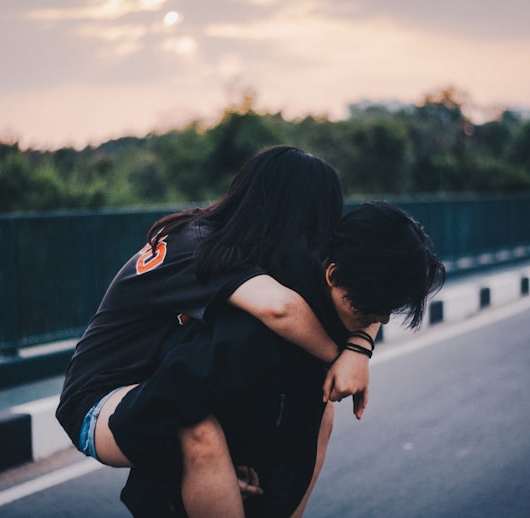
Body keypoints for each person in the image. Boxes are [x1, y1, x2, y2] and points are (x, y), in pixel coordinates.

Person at [56, 146, 374, 517]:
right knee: (199, 429)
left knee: (322, 409)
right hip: (101, 401)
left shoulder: (258, 247)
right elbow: (281, 310)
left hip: (170, 386)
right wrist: (344, 358)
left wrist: (361, 346)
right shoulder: (201, 244)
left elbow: (366, 288)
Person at [117, 201, 446, 517]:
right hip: (183, 494)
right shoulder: (254, 331)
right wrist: (210, 466)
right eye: (372, 309)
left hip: (264, 472)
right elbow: (156, 407)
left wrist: (359, 347)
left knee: (324, 415)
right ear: (332, 275)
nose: (383, 320)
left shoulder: (339, 288)